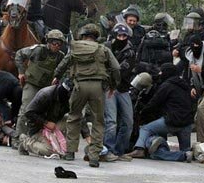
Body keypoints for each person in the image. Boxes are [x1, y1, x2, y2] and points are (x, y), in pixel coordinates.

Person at [54, 23, 120, 168]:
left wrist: (57, 76)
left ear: (82, 36)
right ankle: (94, 156)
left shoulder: (75, 48)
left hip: (79, 86)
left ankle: (70, 152)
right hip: (97, 87)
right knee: (98, 120)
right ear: (96, 37)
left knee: (74, 117)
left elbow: (63, 64)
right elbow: (116, 68)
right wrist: (114, 85)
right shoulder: (103, 49)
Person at [127, 63, 194, 162]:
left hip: (172, 120)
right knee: (186, 150)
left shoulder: (167, 85)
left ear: (167, 73)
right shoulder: (185, 85)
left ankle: (139, 149)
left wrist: (141, 112)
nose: (160, 74)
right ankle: (185, 155)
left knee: (145, 129)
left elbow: (154, 103)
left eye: (162, 72)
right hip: (187, 123)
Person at [13, 29, 66, 147]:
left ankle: (33, 138)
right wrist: (21, 72)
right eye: (54, 43)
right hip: (32, 83)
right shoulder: (37, 50)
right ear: (48, 42)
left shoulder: (61, 56)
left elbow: (64, 70)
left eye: (59, 44)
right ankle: (17, 139)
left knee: (42, 114)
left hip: (46, 88)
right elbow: (19, 55)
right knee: (25, 110)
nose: (56, 46)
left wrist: (57, 78)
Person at [103, 23, 135, 160]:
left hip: (122, 88)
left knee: (128, 121)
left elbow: (123, 70)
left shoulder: (130, 52)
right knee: (111, 121)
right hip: (108, 88)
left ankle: (119, 151)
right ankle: (107, 150)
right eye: (119, 35)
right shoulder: (106, 48)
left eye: (124, 36)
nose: (121, 38)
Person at [18, 79, 73, 158]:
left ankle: (63, 146)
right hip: (38, 127)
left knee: (71, 120)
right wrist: (46, 123)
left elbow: (77, 117)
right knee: (49, 150)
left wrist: (87, 136)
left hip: (54, 124)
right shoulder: (45, 94)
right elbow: (29, 113)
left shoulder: (70, 98)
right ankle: (25, 142)